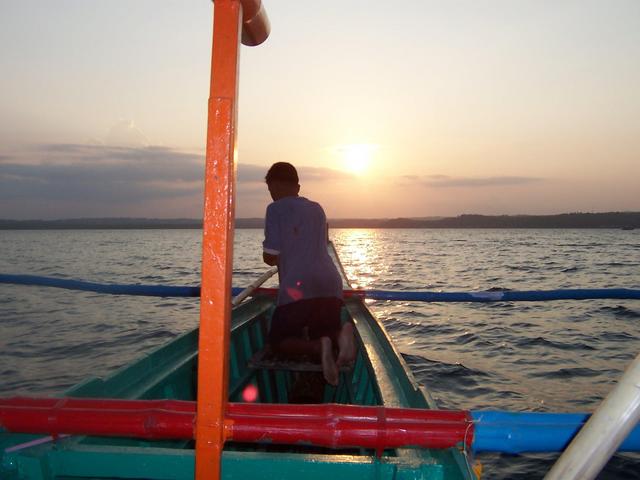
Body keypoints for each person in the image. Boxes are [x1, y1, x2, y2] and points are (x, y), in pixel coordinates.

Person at [262, 162, 356, 386]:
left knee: (277, 342)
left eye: (270, 189)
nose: (272, 194)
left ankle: (318, 346)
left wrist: (278, 253)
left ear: (274, 185)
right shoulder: (317, 208)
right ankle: (337, 338)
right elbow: (319, 245)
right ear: (298, 186)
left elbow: (270, 256)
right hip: (330, 283)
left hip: (298, 285)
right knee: (322, 328)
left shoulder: (274, 209)